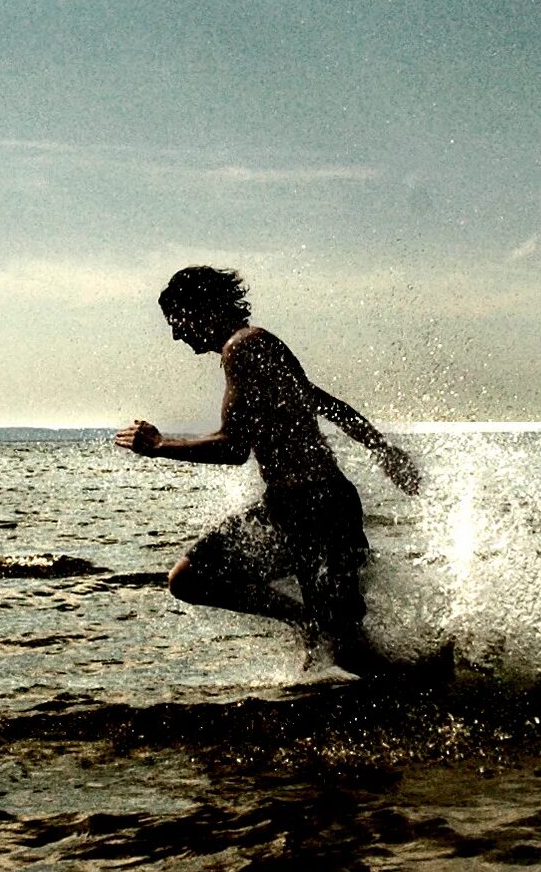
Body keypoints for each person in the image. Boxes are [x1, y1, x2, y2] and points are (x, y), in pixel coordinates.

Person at [115, 265, 428, 676]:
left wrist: (159, 445)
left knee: (350, 652)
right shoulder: (257, 346)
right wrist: (383, 450)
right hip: (290, 507)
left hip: (319, 510)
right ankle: (309, 621)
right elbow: (326, 403)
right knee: (189, 579)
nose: (176, 335)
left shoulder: (244, 348)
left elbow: (233, 448)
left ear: (202, 308)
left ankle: (444, 686)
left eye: (177, 322)